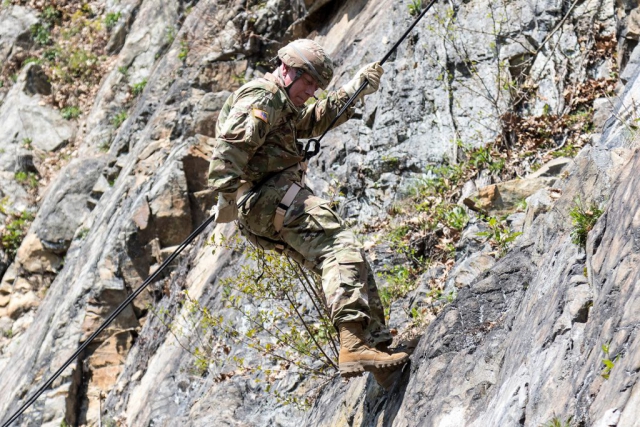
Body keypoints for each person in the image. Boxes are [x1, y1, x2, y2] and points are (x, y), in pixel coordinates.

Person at [207, 39, 409, 388]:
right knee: (339, 246)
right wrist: (228, 194)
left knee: (347, 259)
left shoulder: (281, 104)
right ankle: (353, 345)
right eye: (309, 82)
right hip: (269, 199)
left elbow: (312, 121)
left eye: (317, 86)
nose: (311, 91)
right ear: (287, 69)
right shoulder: (264, 96)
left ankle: (377, 351)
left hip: (270, 204)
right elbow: (229, 150)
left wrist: (355, 88)